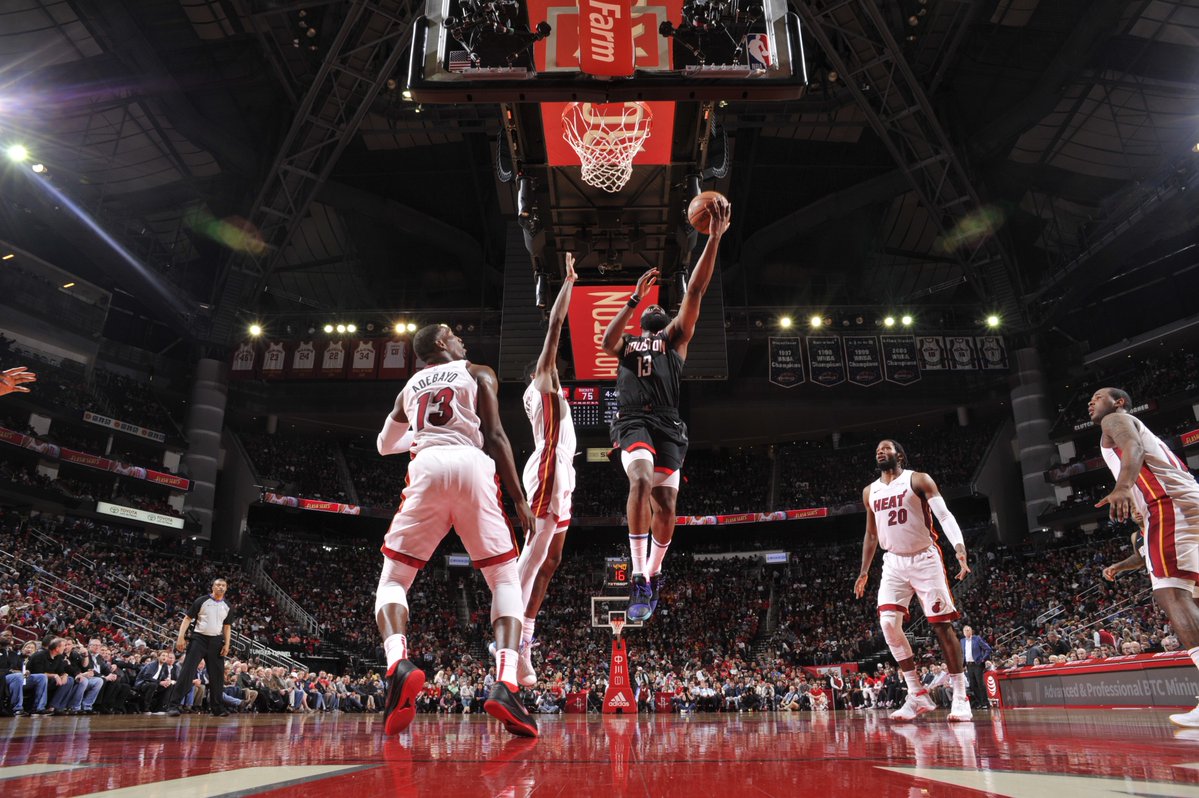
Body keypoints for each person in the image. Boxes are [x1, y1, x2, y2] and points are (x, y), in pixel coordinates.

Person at [374, 323, 539, 738]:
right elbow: (497, 436)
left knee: (394, 580)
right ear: (441, 344)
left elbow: (383, 445)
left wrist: (422, 430)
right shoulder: (478, 371)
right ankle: (506, 682)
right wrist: (519, 499)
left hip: (427, 464)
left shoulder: (409, 389)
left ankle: (398, 663)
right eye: (453, 333)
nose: (462, 337)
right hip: (471, 464)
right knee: (503, 578)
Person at [600, 196, 731, 622]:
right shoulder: (629, 343)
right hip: (634, 419)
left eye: (660, 305)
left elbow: (695, 289)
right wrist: (633, 300)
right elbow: (605, 342)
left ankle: (652, 576)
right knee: (638, 482)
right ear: (643, 321)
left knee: (667, 507)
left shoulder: (675, 337)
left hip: (669, 423)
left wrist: (712, 239)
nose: (658, 308)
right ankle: (638, 573)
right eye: (650, 309)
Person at [1089, 386, 1199, 727]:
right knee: (1191, 594)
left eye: (1098, 397)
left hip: (1168, 504)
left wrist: (1123, 487)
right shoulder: (1130, 428)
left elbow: (1133, 448)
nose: (1091, 403)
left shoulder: (1115, 419)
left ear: (1118, 402)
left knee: (1169, 592)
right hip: (1182, 501)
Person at [853, 439, 973, 722]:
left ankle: (960, 695)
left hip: (924, 559)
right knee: (887, 624)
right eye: (877, 449)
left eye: (886, 448)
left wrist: (959, 548)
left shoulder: (918, 479)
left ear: (900, 455)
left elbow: (943, 514)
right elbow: (871, 535)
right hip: (893, 562)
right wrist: (864, 570)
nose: (880, 451)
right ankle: (917, 693)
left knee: (942, 626)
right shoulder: (870, 491)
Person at [514, 253, 578, 686]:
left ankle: (525, 637)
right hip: (548, 470)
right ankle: (511, 641)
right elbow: (554, 328)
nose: (556, 369)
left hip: (563, 475)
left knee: (551, 560)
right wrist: (569, 282)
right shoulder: (542, 382)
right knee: (532, 561)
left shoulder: (547, 395)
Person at [166, 578, 235, 717]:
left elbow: (227, 627)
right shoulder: (202, 600)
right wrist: (181, 637)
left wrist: (227, 644)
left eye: (223, 585)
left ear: (226, 588)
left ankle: (217, 708)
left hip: (216, 641)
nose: (220, 587)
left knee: (217, 676)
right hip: (199, 639)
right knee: (187, 672)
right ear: (213, 587)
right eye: (218, 585)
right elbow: (187, 618)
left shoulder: (228, 606)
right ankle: (173, 705)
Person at [960, 626, 992, 710]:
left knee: (980, 684)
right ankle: (980, 703)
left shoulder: (977, 638)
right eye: (965, 630)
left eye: (968, 630)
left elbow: (988, 649)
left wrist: (983, 659)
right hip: (968, 665)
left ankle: (985, 703)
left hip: (977, 664)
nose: (967, 632)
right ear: (963, 632)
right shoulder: (962, 641)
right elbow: (963, 654)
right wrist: (963, 665)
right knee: (973, 685)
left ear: (971, 631)